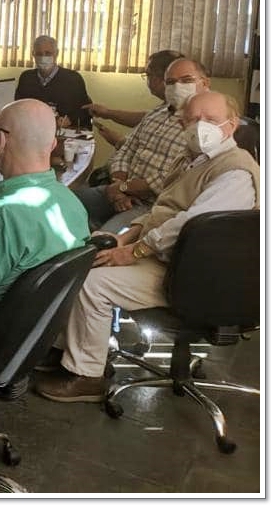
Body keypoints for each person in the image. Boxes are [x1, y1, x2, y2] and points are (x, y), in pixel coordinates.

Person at [33, 91, 260, 403]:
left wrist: (134, 251)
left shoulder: (235, 172)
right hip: (176, 260)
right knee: (87, 260)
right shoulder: (193, 159)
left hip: (197, 278)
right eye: (193, 119)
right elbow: (161, 211)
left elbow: (189, 225)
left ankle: (87, 376)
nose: (199, 126)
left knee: (92, 283)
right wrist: (125, 238)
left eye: (210, 120)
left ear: (231, 126)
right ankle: (66, 351)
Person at [0, 99, 90, 329]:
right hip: (24, 335)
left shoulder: (3, 219)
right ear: (53, 144)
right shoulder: (71, 204)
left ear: (1, 141)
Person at [73, 53, 200, 232]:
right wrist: (118, 186)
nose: (177, 87)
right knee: (59, 200)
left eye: (186, 80)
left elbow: (165, 180)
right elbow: (126, 150)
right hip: (118, 190)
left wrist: (122, 187)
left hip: (150, 205)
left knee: (103, 243)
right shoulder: (159, 111)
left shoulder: (201, 125)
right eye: (170, 82)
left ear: (205, 82)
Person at [14, 35, 93, 129]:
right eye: (39, 54)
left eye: (48, 53)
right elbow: (17, 108)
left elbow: (85, 111)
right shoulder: (26, 78)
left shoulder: (73, 79)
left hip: (64, 133)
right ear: (33, 54)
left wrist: (70, 119)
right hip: (33, 131)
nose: (43, 57)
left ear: (56, 53)